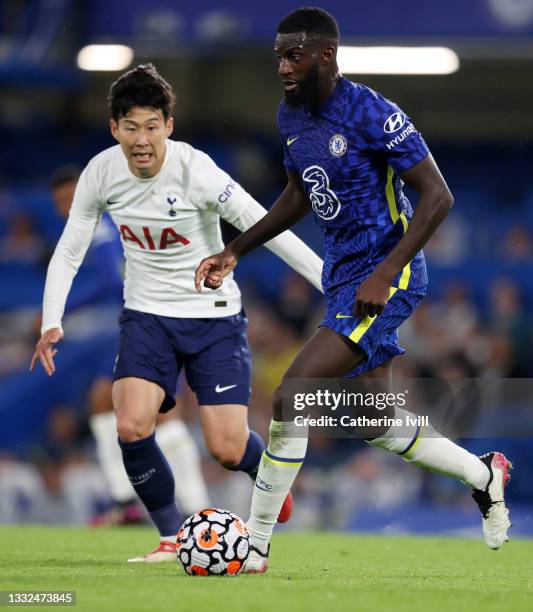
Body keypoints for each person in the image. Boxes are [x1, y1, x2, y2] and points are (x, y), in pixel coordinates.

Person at [195, 7, 512, 573]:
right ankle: (484, 473)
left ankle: (258, 546)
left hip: (388, 273)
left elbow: (439, 197)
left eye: (294, 55)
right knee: (374, 421)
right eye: (278, 56)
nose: (283, 66)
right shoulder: (290, 116)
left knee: (294, 393)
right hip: (343, 276)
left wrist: (387, 270)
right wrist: (235, 248)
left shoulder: (372, 113)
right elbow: (298, 193)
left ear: (326, 55)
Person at [30, 63, 323, 562]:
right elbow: (70, 248)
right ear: (114, 129)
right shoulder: (100, 172)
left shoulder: (197, 171)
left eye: (151, 126)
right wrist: (50, 320)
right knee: (130, 424)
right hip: (146, 316)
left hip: (214, 318)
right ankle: (171, 535)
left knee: (227, 448)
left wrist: (330, 284)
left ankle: (264, 471)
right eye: (130, 127)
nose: (141, 139)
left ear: (168, 125)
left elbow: (264, 224)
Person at [47, 166, 211, 526]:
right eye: (60, 202)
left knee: (157, 409)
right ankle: (134, 502)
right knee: (107, 402)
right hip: (155, 316)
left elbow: (110, 280)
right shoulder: (109, 220)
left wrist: (60, 311)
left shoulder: (104, 223)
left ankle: (190, 506)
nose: (66, 207)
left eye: (71, 198)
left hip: (153, 319)